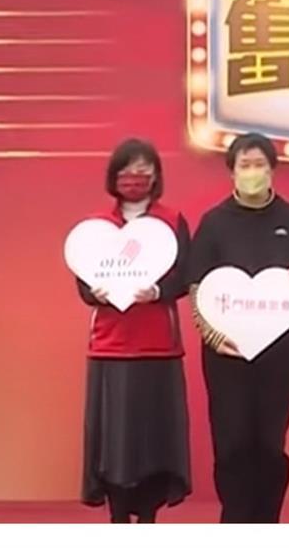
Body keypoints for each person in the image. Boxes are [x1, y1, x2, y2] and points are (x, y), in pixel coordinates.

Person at [188, 133, 289, 524]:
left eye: (259, 164)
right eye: (244, 165)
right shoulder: (214, 223)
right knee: (232, 442)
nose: (252, 172)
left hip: (281, 352)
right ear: (231, 172)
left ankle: (267, 520)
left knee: (269, 442)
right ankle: (235, 519)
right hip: (227, 353)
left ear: (272, 169)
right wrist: (213, 337)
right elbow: (196, 288)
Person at [76, 138, 191, 523]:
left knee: (153, 439)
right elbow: (82, 284)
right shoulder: (96, 226)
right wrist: (94, 292)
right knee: (114, 443)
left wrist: (158, 291)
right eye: (127, 169)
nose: (135, 176)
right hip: (110, 347)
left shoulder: (172, 221)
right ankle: (117, 512)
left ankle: (149, 513)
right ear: (113, 176)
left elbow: (185, 275)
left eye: (144, 169)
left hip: (158, 346)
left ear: (156, 176)